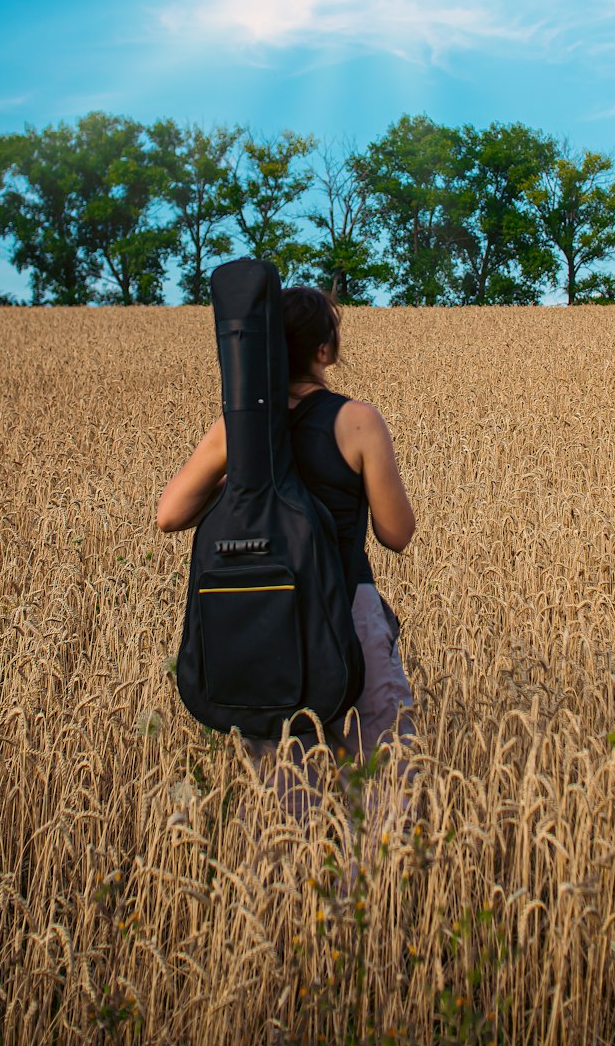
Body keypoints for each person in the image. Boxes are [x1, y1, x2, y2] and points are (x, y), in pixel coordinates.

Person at [156, 285, 417, 831]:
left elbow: (170, 514)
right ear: (324, 350)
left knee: (285, 798)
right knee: (381, 785)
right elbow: (397, 533)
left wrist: (235, 480)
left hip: (265, 625)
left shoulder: (238, 429)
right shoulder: (357, 421)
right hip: (348, 610)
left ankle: (290, 906)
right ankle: (373, 904)